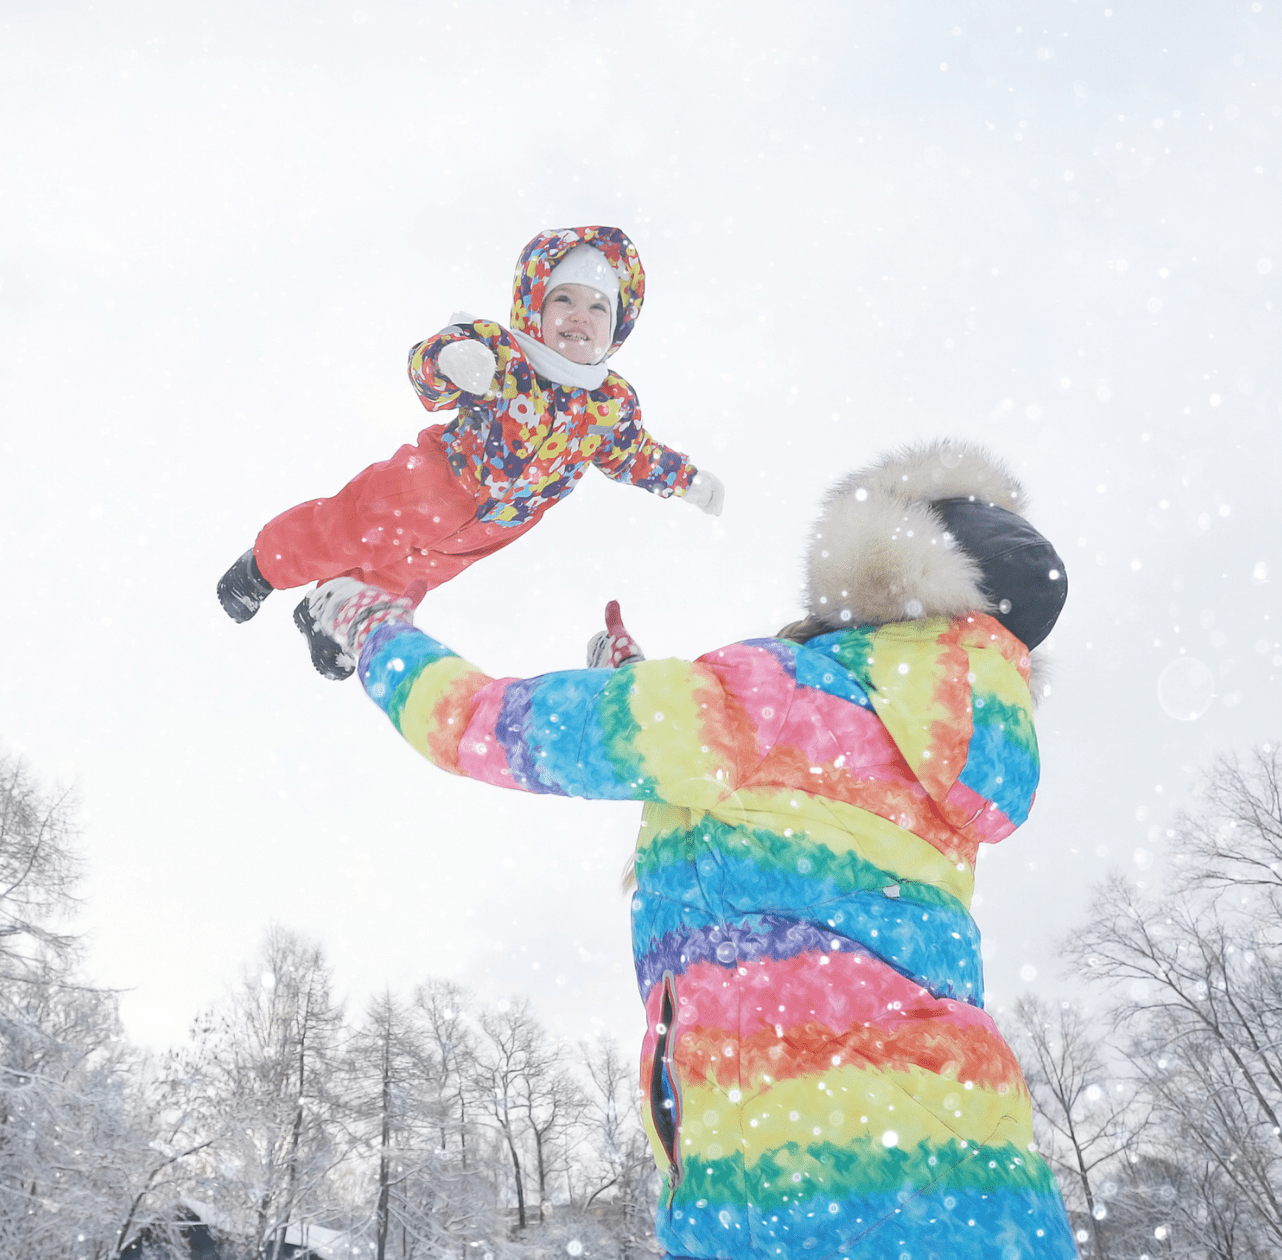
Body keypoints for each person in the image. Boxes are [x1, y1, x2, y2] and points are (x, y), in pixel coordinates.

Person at [304, 439, 1076, 1260]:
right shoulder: (952, 749)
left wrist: (375, 630)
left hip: (802, 1190)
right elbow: (781, 818)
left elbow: (482, 725)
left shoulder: (778, 696)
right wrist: (638, 688)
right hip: (977, 1183)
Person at [215, 225, 724, 679]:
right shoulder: (504, 352)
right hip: (434, 480)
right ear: (535, 306)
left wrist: (686, 480)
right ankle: (264, 566)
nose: (580, 316)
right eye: (564, 299)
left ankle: (328, 615)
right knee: (347, 531)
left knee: (407, 575)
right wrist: (453, 360)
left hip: (498, 524)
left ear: (615, 328)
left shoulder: (611, 404)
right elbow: (427, 365)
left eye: (598, 308)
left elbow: (634, 454)